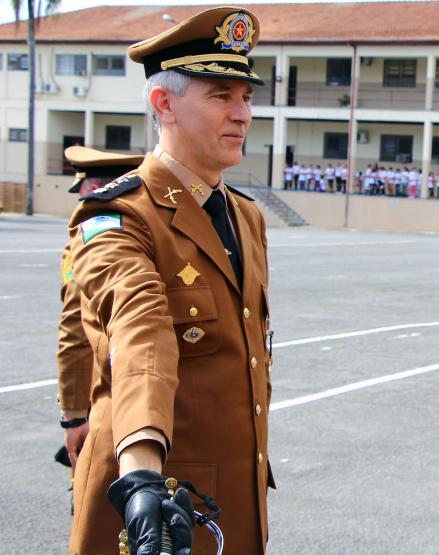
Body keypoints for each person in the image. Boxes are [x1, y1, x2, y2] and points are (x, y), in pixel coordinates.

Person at [66, 7, 274, 554]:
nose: (242, 114)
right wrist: (139, 472)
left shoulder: (246, 215)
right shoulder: (117, 216)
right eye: (219, 96)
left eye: (246, 97)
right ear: (164, 104)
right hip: (158, 505)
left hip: (235, 498)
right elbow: (142, 336)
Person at [57, 147, 145, 472]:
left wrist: (74, 415)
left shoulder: (95, 236)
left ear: (96, 189)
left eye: (83, 189)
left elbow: (74, 329)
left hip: (109, 401)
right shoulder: (151, 230)